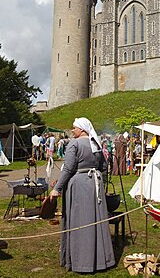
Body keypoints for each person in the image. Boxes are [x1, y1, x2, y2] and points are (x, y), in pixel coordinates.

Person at [49, 117, 115, 274]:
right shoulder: (96, 144)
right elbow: (104, 166)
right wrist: (98, 180)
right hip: (95, 185)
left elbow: (68, 168)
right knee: (95, 220)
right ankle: (100, 259)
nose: (72, 130)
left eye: (74, 128)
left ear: (82, 129)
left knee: (80, 220)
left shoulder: (75, 143)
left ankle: (82, 261)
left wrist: (57, 188)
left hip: (79, 186)